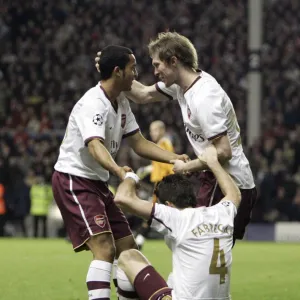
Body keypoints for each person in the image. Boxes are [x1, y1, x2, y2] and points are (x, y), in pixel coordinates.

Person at [52, 45, 188, 300]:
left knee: (128, 248)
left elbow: (139, 142)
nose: (136, 74)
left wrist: (174, 157)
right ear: (117, 71)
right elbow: (94, 145)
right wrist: (118, 170)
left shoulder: (121, 102)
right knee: (104, 248)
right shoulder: (93, 103)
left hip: (97, 182)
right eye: (132, 68)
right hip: (74, 180)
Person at [95, 31, 256, 243]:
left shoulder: (204, 97)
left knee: (197, 248)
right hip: (219, 178)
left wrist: (186, 167)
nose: (155, 72)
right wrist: (113, 71)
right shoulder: (183, 86)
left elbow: (224, 152)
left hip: (228, 182)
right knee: (206, 255)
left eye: (157, 65)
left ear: (173, 61)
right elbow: (142, 94)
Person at [114, 144, 241, 300]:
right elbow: (234, 195)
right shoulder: (221, 213)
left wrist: (130, 178)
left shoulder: (175, 217)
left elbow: (122, 198)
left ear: (169, 205)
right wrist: (213, 162)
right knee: (173, 279)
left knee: (128, 257)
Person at [134, 120, 175, 249]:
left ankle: (140, 239)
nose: (152, 133)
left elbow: (169, 165)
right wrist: (147, 169)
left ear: (162, 131)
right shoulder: (160, 145)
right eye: (151, 131)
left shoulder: (164, 144)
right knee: (153, 213)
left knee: (156, 213)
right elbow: (159, 165)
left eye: (155, 130)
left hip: (164, 185)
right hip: (159, 184)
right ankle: (140, 240)